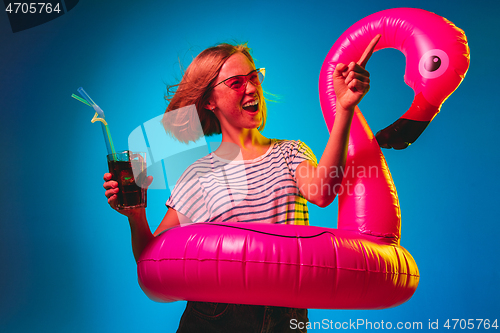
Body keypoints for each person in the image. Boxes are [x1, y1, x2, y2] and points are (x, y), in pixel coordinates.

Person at [103, 37, 379, 332]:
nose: (251, 88)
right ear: (210, 100)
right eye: (236, 83)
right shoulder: (198, 175)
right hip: (216, 316)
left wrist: (345, 108)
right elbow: (153, 260)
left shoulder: (290, 152)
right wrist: (136, 215)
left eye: (253, 77)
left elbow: (322, 193)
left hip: (286, 316)